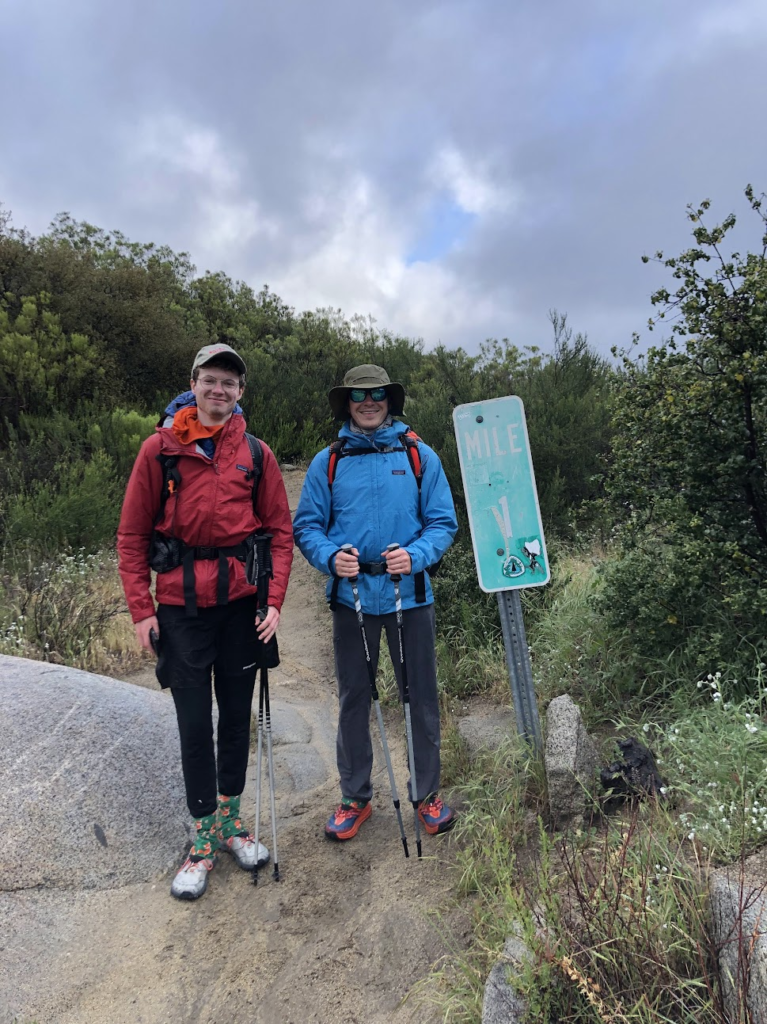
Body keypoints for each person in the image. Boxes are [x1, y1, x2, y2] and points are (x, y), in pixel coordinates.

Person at [117, 343, 293, 900]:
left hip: (242, 607)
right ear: (193, 382)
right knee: (194, 721)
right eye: (211, 380)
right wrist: (142, 610)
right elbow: (131, 536)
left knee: (235, 717)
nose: (220, 391)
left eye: (230, 383)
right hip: (181, 609)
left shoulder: (256, 455)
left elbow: (279, 533)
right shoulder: (159, 450)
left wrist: (274, 602)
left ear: (241, 393)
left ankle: (232, 821)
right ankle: (201, 838)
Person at [293, 364, 458, 842]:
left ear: (390, 399)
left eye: (378, 393)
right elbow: (307, 527)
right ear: (347, 402)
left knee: (420, 697)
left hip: (412, 595)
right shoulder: (329, 461)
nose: (369, 402)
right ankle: (355, 798)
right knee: (353, 700)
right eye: (359, 395)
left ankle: (426, 796)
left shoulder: (418, 455)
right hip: (353, 599)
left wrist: (416, 555)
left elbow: (443, 523)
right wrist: (330, 558)